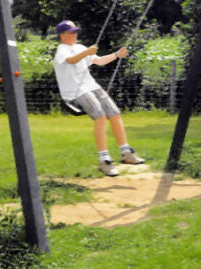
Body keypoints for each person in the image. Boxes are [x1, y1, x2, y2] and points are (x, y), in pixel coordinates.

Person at [52, 20, 145, 177]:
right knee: (100, 116)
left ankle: (126, 153)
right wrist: (87, 53)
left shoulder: (80, 48)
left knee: (114, 113)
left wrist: (116, 55)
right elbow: (72, 60)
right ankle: (104, 160)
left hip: (91, 86)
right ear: (62, 35)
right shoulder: (62, 50)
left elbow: (99, 61)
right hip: (75, 91)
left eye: (76, 31)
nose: (75, 34)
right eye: (71, 32)